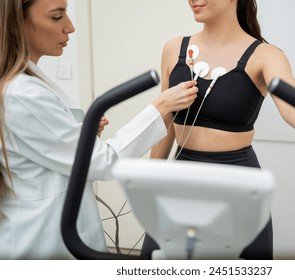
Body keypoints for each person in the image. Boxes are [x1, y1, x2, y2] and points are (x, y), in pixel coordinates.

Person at [141, 0, 295, 260]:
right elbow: (166, 123)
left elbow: (293, 108)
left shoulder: (265, 55)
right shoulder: (173, 49)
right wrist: (148, 183)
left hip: (237, 183)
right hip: (180, 179)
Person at [0, 0, 198, 259]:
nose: (70, 27)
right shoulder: (23, 94)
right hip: (41, 240)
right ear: (18, 25)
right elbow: (102, 163)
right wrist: (159, 108)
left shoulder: (26, 84)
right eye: (57, 17)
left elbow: (42, 146)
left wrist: (79, 136)